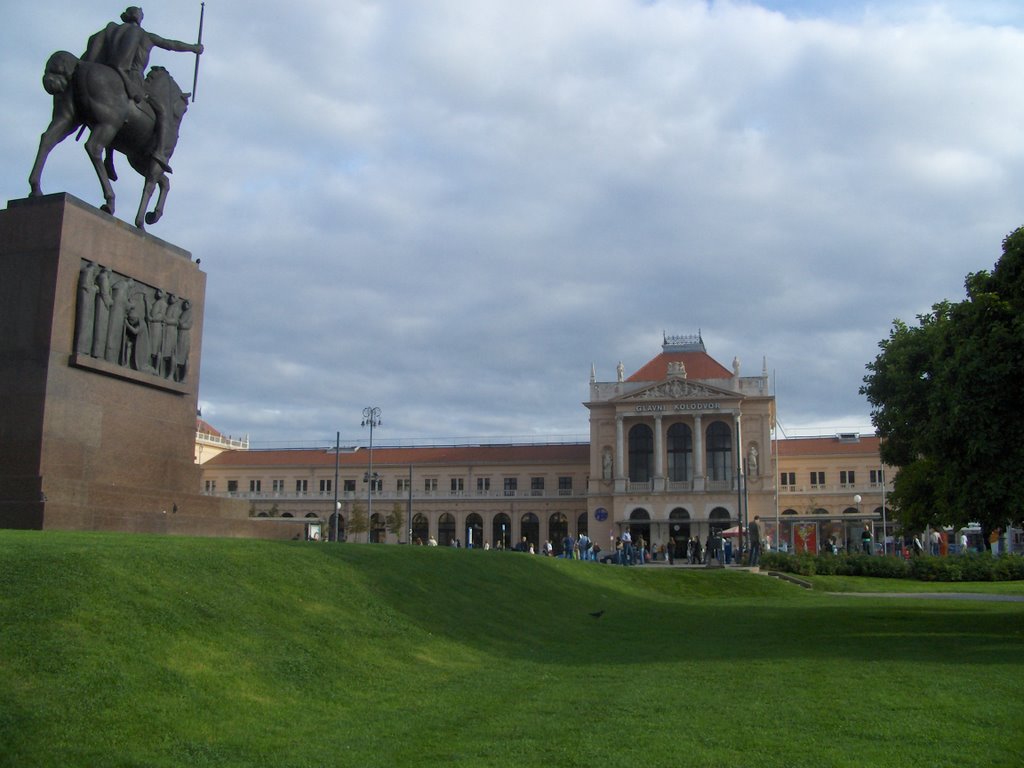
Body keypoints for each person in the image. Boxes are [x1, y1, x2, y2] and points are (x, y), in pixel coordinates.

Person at [82, 7, 204, 172]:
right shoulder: (145, 36)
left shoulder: (112, 30)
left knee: (113, 112)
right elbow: (172, 45)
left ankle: (109, 157)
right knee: (162, 112)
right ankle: (160, 153)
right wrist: (193, 48)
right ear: (138, 18)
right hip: (135, 80)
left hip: (110, 70)